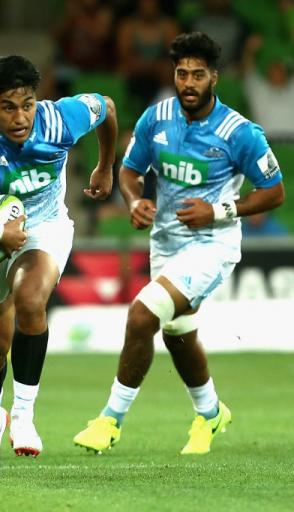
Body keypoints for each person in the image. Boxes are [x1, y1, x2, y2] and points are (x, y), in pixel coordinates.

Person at [73, 32, 285, 456]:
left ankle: (110, 421)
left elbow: (274, 191)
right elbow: (130, 170)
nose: (188, 82)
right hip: (165, 241)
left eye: (198, 75)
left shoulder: (239, 133)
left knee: (141, 315)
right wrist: (134, 200)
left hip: (213, 244)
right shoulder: (157, 118)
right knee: (177, 333)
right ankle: (210, 414)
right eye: (182, 73)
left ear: (215, 78)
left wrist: (219, 211)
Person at [0, 55, 117, 485]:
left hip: (43, 226)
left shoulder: (61, 118)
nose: (20, 116)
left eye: (27, 104)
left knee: (31, 299)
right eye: (9, 106)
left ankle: (25, 415)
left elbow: (107, 106)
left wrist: (106, 165)